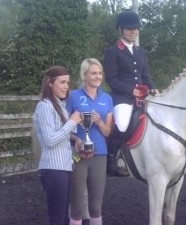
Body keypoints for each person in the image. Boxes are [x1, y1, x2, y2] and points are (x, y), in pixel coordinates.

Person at [103, 9, 159, 177]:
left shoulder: (141, 52)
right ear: (121, 30)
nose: (133, 31)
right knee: (121, 123)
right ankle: (111, 160)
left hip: (142, 96)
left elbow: (145, 76)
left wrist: (154, 87)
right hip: (122, 98)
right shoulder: (112, 52)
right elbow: (111, 79)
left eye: (136, 28)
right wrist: (131, 90)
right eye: (129, 28)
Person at [33, 66, 82, 225]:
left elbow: (62, 133)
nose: (66, 86)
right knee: (57, 219)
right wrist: (72, 122)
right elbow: (50, 140)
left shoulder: (59, 105)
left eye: (67, 82)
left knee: (63, 218)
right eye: (62, 82)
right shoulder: (45, 106)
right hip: (54, 170)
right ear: (49, 83)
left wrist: (76, 139)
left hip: (64, 167)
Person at [67, 58, 113, 225]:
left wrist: (99, 122)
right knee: (77, 206)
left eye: (100, 73)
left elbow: (108, 131)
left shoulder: (107, 98)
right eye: (93, 73)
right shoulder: (73, 96)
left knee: (96, 206)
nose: (97, 76)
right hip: (78, 155)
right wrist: (77, 140)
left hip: (100, 154)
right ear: (84, 75)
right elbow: (64, 126)